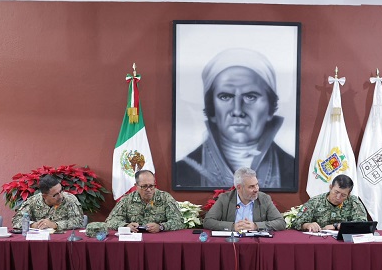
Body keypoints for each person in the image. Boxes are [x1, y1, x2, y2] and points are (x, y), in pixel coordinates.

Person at [174, 48, 294, 189]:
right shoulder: (183, 171)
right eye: (225, 97)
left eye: (250, 97)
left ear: (270, 107)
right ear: (211, 107)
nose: (237, 111)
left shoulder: (290, 170)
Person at [203, 167, 286, 232]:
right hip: (232, 242)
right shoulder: (224, 198)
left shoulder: (264, 199)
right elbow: (208, 221)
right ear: (239, 187)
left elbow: (280, 222)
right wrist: (232, 226)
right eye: (251, 186)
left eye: (257, 185)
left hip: (255, 243)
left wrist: (256, 226)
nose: (256, 189)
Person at [105, 170, 184, 233]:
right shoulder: (126, 200)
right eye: (144, 186)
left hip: (158, 238)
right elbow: (110, 221)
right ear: (136, 186)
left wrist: (161, 227)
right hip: (134, 239)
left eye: (151, 186)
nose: (149, 190)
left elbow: (179, 221)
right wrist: (126, 226)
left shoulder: (165, 198)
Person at [291, 174, 367, 232]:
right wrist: (307, 225)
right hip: (320, 241)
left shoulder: (353, 202)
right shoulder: (315, 202)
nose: (338, 197)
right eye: (336, 192)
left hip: (345, 241)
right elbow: (296, 222)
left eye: (343, 195)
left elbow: (362, 224)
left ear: (348, 194)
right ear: (330, 187)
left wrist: (336, 226)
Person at [11, 174, 83, 230]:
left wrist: (55, 225)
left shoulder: (70, 199)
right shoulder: (33, 201)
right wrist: (33, 225)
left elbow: (78, 222)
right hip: (40, 240)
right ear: (45, 196)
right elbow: (16, 221)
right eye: (55, 195)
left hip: (64, 239)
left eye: (61, 191)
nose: (60, 196)